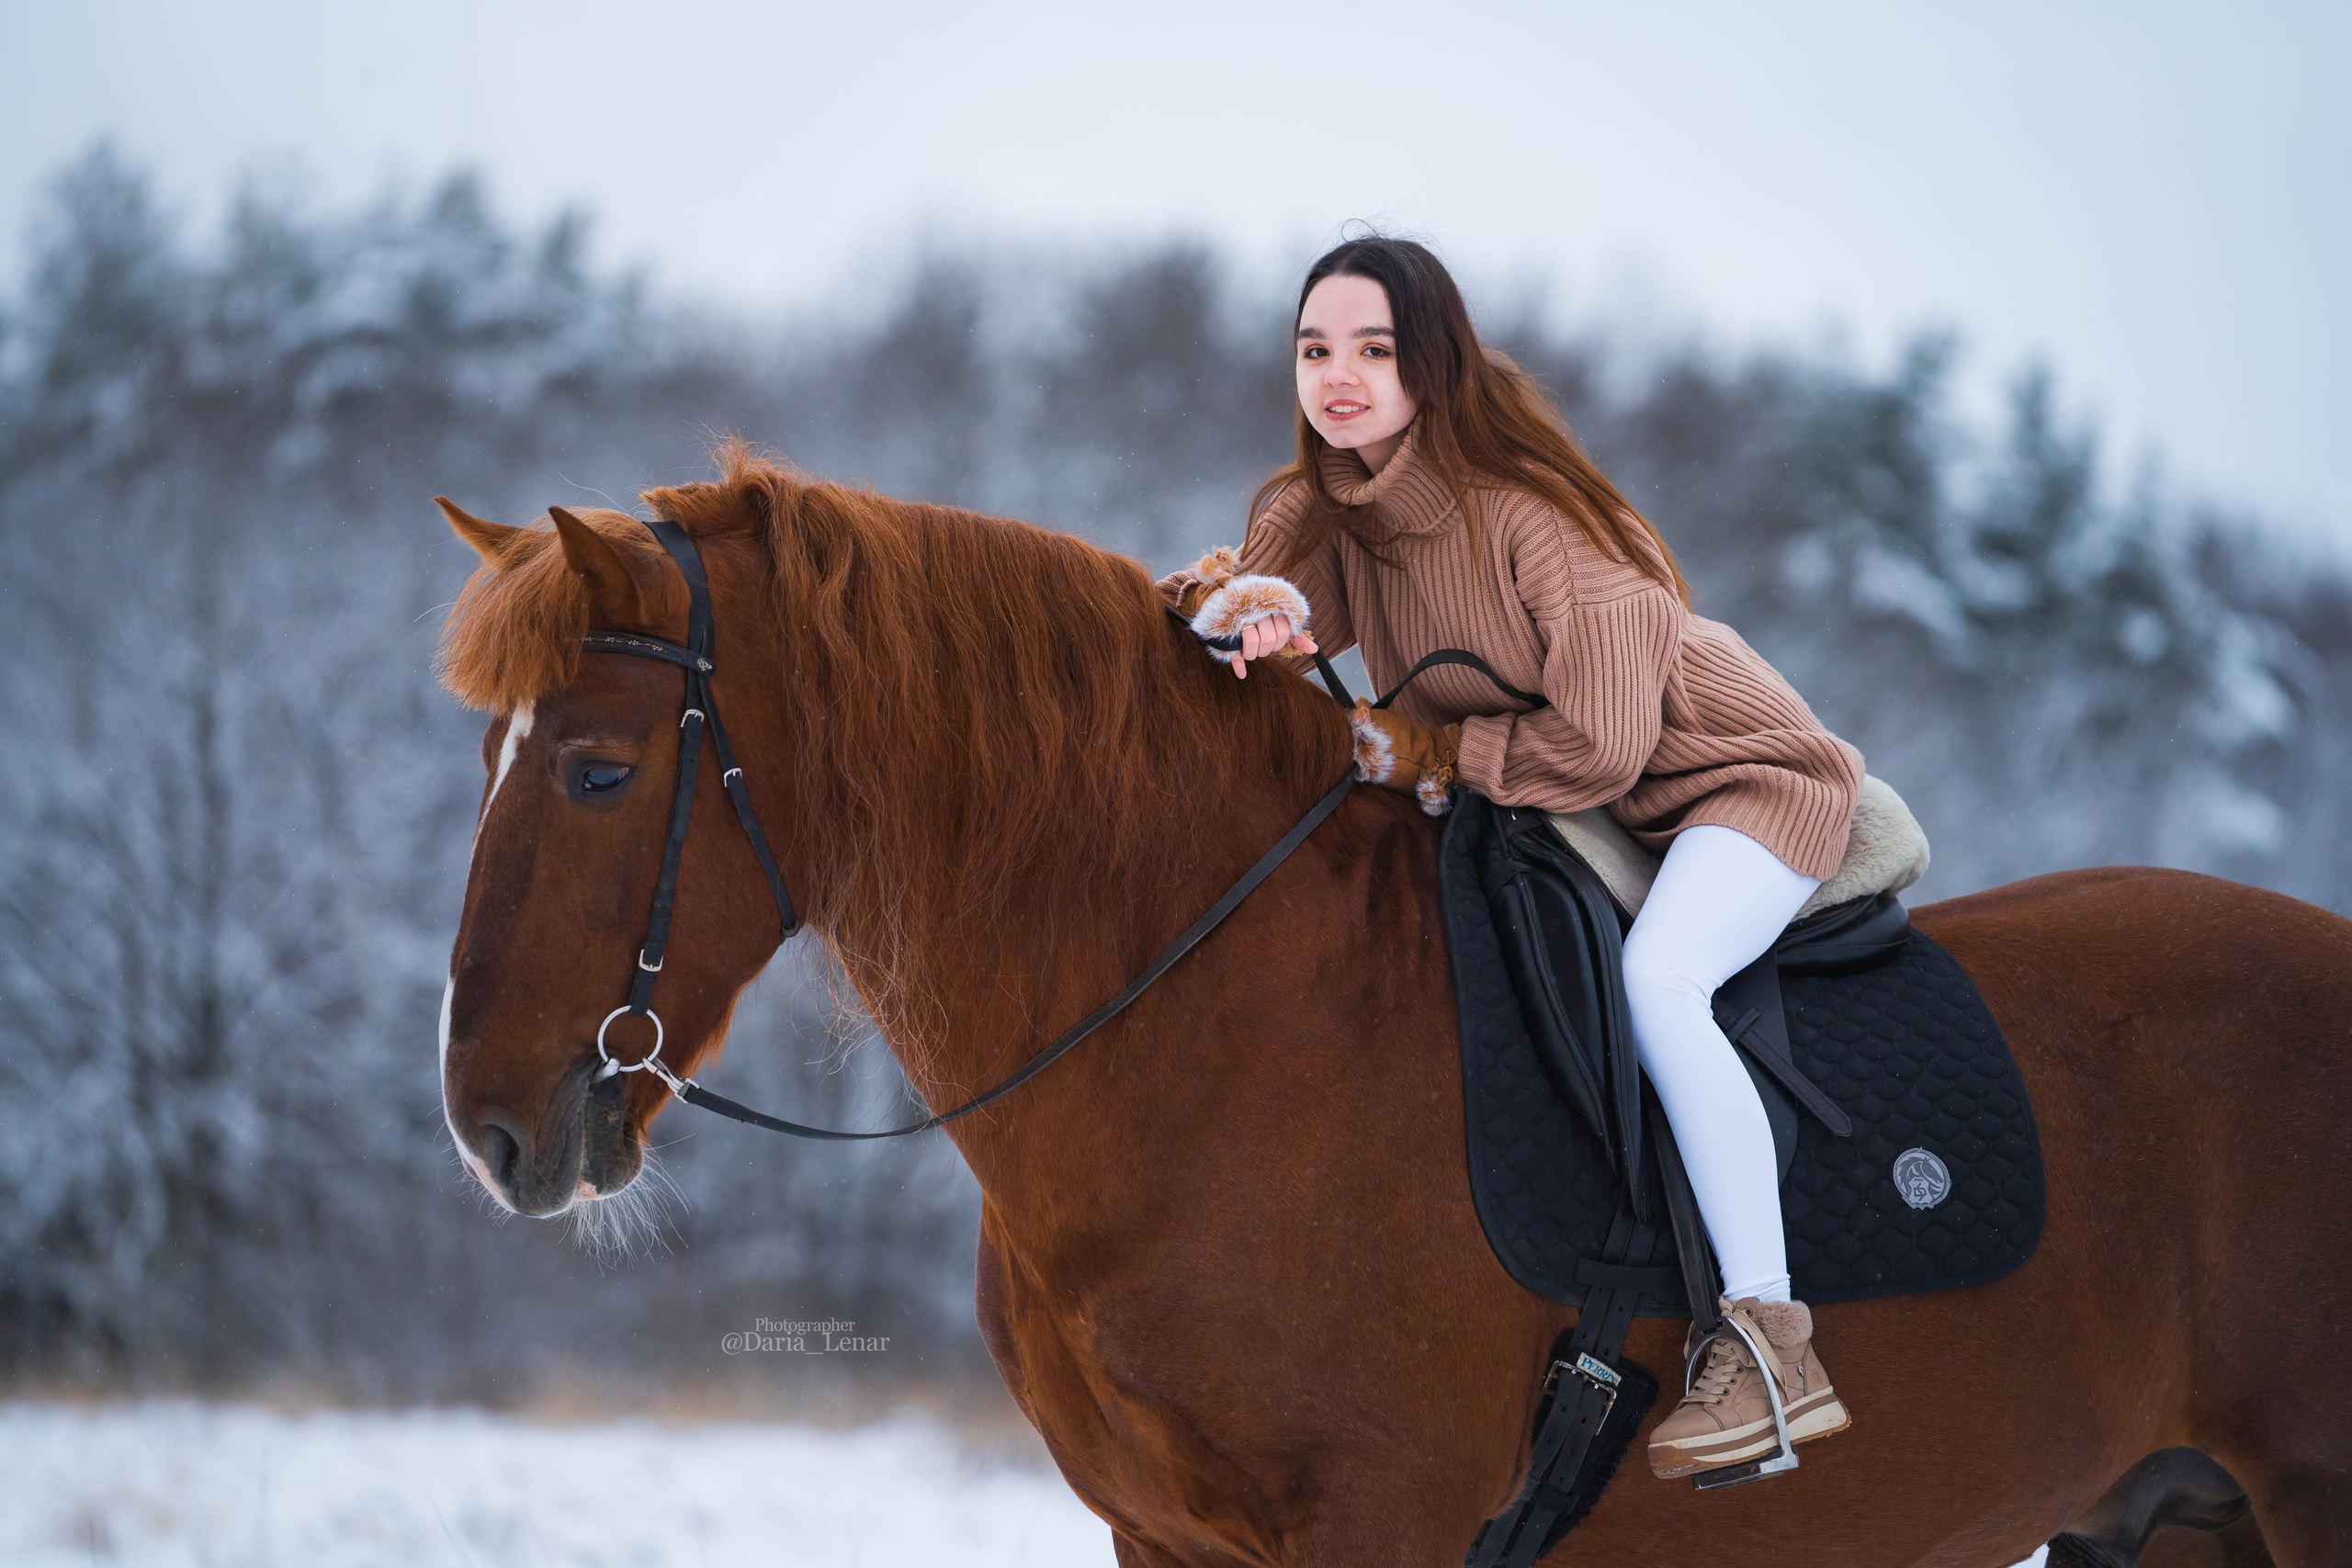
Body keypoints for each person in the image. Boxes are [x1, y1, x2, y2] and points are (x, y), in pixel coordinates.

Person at [1161, 236, 1862, 1482]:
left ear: (1431, 363)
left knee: (1662, 983)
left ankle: (1768, 1341)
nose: (1339, 376)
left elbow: (1597, 745)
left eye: (1373, 350)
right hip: (1552, 799)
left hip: (1726, 782)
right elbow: (1266, 591)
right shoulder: (1317, 502)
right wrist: (1235, 613)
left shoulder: (1536, 525)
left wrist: (1421, 754)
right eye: (1315, 348)